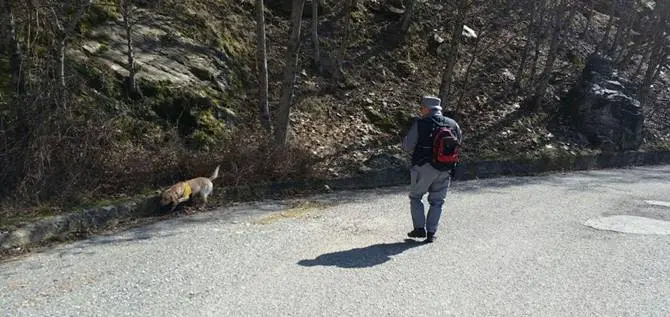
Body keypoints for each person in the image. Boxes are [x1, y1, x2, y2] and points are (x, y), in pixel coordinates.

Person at [402, 96, 462, 243]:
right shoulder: (453, 124)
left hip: (423, 167)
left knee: (416, 197)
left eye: (421, 108)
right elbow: (458, 142)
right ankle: (431, 233)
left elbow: (407, 146)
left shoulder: (421, 123)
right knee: (437, 201)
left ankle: (419, 229)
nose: (420, 110)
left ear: (427, 108)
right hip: (446, 168)